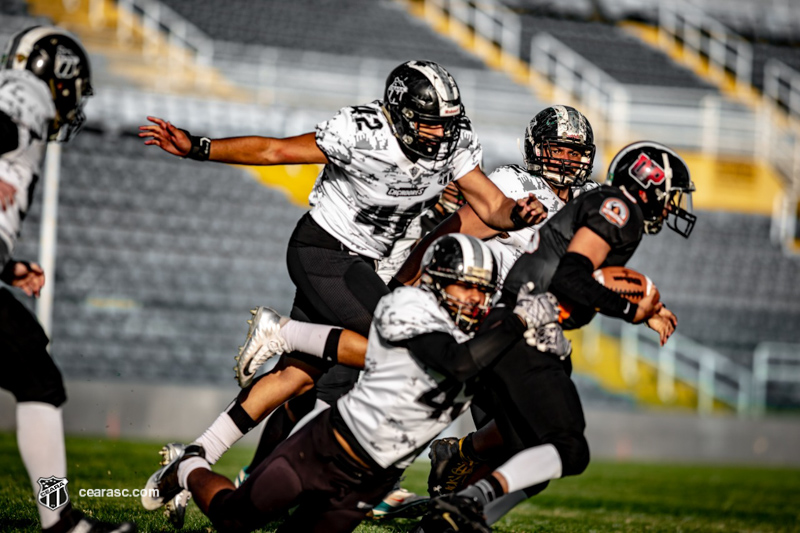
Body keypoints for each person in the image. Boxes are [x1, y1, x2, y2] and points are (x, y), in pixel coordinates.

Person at [139, 59, 546, 524]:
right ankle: (284, 332)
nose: (438, 135)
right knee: (400, 347)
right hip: (322, 251)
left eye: (445, 125)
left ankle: (192, 458)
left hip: (362, 262)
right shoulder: (361, 131)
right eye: (429, 123)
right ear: (398, 113)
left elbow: (493, 206)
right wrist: (199, 147)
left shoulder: (452, 145)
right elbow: (274, 150)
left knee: (297, 378)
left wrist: (519, 214)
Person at [140, 234, 562, 533]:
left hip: (376, 476)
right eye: (464, 286)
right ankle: (189, 465)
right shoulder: (409, 307)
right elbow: (456, 362)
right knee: (234, 519)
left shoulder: (486, 335)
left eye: (482, 290)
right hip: (326, 448)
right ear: (436, 280)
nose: (474, 298)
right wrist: (521, 322)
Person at [415, 140, 696, 532]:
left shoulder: (606, 203)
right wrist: (632, 310)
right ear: (648, 181)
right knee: (568, 448)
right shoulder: (620, 210)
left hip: (512, 327)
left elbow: (587, 278)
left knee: (533, 458)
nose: (672, 206)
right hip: (525, 332)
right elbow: (571, 277)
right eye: (670, 195)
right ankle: (465, 504)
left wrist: (647, 308)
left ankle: (456, 518)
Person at [0, 26, 136, 533]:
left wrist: (9, 266)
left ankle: (59, 519)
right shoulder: (25, 96)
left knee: (35, 372)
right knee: (38, 381)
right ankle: (58, 521)